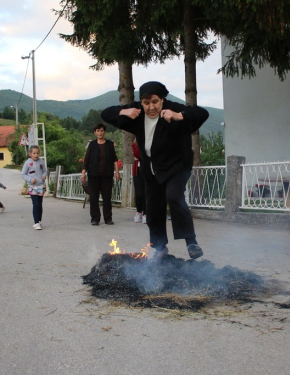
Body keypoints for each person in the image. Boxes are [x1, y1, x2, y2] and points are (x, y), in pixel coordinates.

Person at [101, 81, 209, 261]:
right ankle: (160, 248)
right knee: (153, 207)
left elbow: (202, 113)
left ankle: (191, 242)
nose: (151, 107)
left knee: (174, 196)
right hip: (151, 169)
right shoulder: (136, 112)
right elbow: (105, 113)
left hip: (177, 166)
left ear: (162, 100)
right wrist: (124, 111)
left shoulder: (172, 109)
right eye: (146, 103)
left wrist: (179, 115)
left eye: (155, 102)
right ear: (141, 102)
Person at [81, 123, 120, 225]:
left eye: (102, 130)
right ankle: (95, 218)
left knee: (107, 197)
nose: (100, 133)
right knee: (94, 198)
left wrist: (117, 172)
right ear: (95, 132)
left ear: (104, 132)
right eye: (98, 131)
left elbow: (114, 159)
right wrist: (83, 172)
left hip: (106, 175)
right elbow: (87, 160)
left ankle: (108, 218)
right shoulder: (92, 145)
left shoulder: (109, 144)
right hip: (94, 175)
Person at [21, 145, 47, 230]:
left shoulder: (41, 161)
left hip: (40, 185)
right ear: (30, 154)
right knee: (35, 204)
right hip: (32, 186)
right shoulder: (27, 163)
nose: (36, 155)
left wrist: (44, 176)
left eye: (38, 153)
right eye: (34, 153)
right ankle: (36, 222)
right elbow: (23, 174)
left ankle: (39, 220)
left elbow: (44, 171)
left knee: (39, 204)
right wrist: (30, 179)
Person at [132, 140, 147, 224]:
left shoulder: (149, 141)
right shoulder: (134, 144)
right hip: (137, 171)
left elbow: (147, 155)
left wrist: (140, 157)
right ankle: (138, 212)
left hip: (147, 171)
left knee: (146, 193)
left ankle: (146, 213)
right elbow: (136, 154)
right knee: (138, 194)